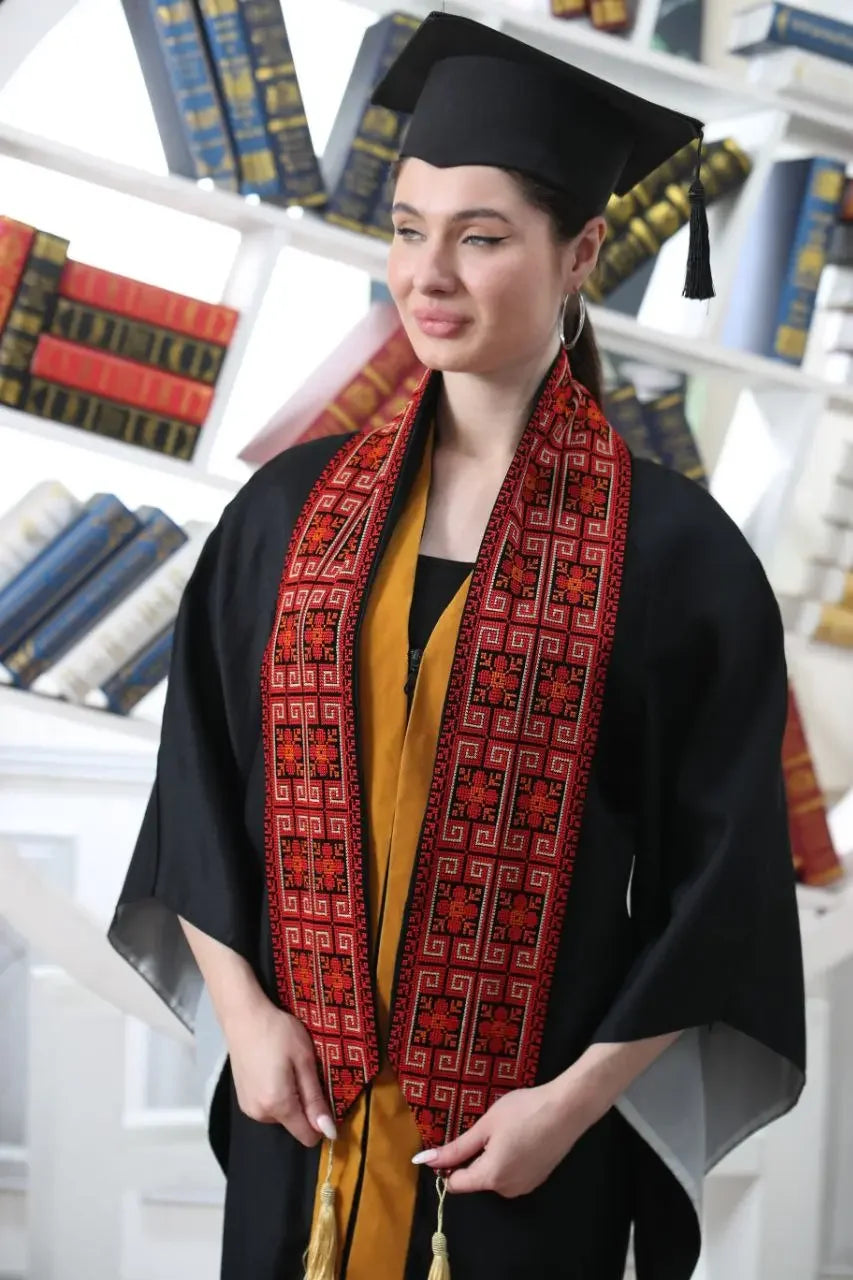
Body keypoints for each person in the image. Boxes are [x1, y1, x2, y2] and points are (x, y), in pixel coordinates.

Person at [108, 12, 806, 1280]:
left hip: (525, 1146)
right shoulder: (284, 514)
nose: (428, 275)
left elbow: (726, 882)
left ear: (579, 249)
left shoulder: (675, 555)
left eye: (480, 238)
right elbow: (199, 782)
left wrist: (570, 1107)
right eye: (407, 229)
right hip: (300, 1122)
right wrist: (245, 1013)